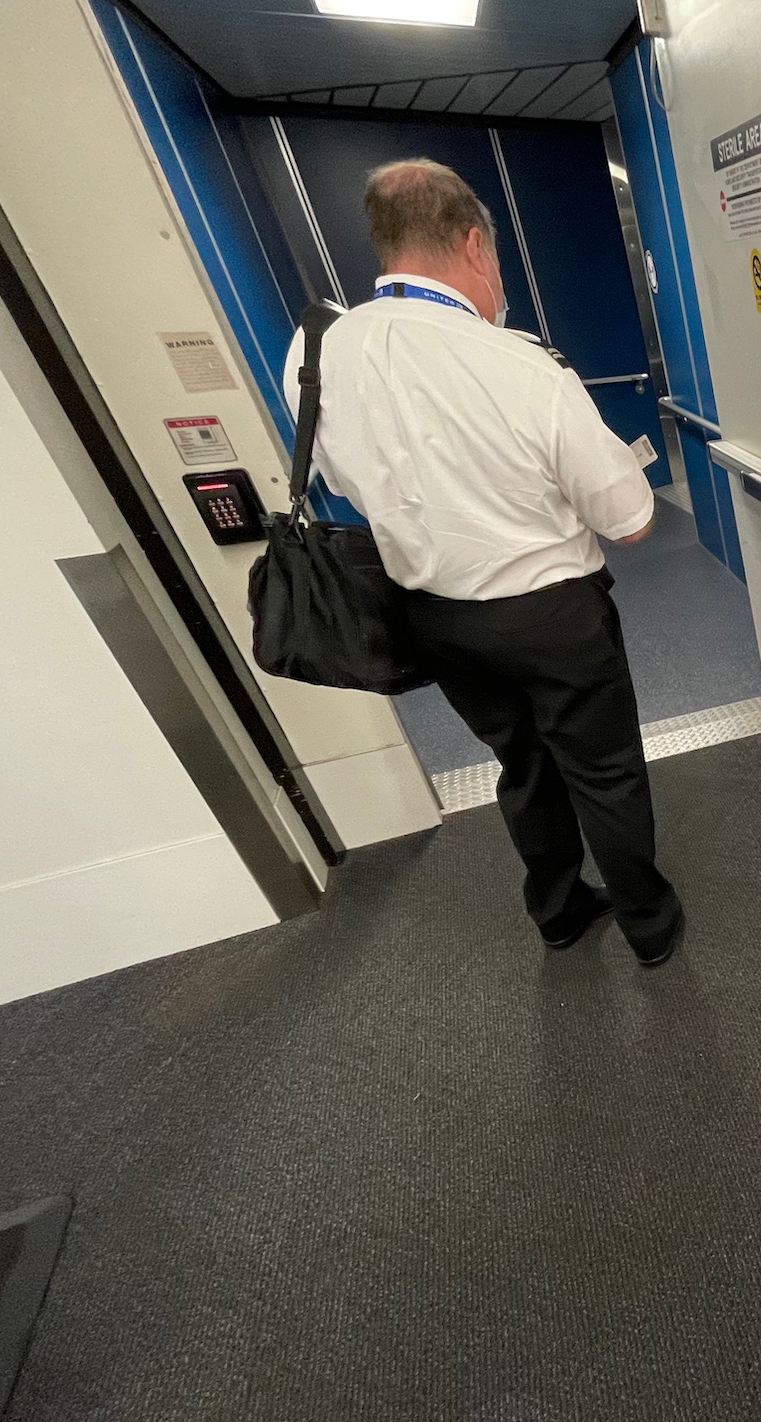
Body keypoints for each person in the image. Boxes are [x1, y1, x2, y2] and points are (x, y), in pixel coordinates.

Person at [283, 158, 684, 963]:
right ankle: (648, 923)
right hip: (550, 614)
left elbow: (339, 474)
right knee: (602, 770)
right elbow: (633, 520)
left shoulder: (317, 350)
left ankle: (560, 910)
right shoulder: (520, 362)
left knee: (522, 762)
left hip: (429, 614)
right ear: (473, 244)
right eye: (494, 260)